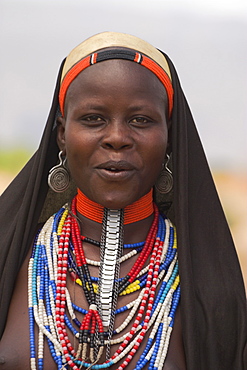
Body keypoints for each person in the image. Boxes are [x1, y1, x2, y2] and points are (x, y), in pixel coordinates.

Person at [0, 32, 246, 370]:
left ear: (170, 135)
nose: (117, 138)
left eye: (140, 120)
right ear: (61, 133)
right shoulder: (11, 255)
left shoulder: (210, 287)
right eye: (93, 119)